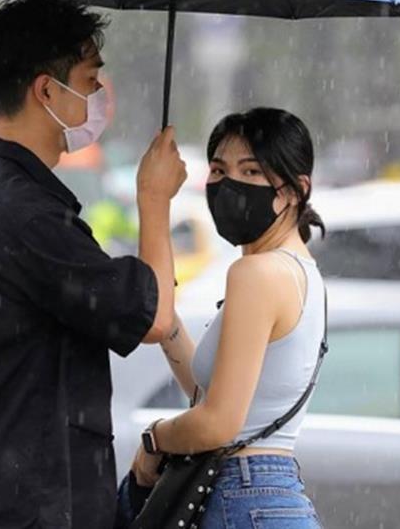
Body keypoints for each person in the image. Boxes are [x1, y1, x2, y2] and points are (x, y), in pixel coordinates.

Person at [0, 0, 188, 529]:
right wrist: (155, 198)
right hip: (12, 510)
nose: (98, 93)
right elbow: (154, 317)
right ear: (47, 90)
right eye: (90, 77)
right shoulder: (26, 216)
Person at [125, 107, 327, 528]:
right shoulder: (298, 269)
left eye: (251, 172)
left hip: (244, 495)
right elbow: (210, 392)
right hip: (266, 497)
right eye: (218, 169)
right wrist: (167, 322)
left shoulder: (256, 273)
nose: (228, 183)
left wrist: (153, 440)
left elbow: (218, 423)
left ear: (293, 190)